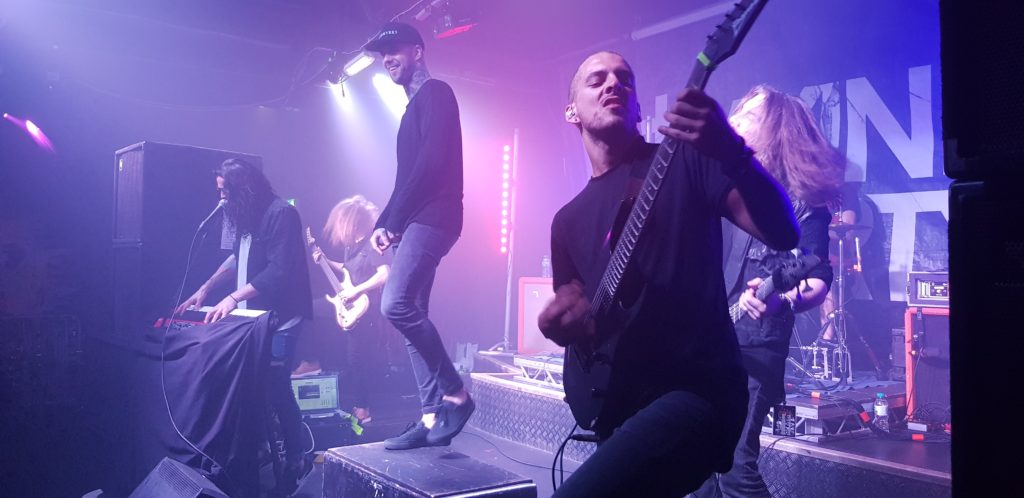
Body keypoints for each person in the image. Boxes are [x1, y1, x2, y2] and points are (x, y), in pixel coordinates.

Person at [537, 51, 799, 497]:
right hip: (617, 398)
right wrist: (560, 327)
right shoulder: (566, 221)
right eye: (597, 79)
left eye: (625, 79)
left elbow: (783, 231)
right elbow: (578, 312)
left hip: (697, 393)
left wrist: (731, 151)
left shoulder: (684, 163)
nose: (613, 84)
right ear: (571, 111)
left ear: (639, 108)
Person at [695, 85, 840, 498]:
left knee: (737, 467)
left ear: (773, 131)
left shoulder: (799, 203)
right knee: (700, 470)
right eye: (738, 110)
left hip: (755, 348)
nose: (737, 118)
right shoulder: (719, 186)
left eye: (750, 116)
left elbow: (817, 277)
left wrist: (781, 298)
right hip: (706, 339)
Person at [361, 22, 473, 450]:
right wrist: (384, 221)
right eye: (381, 52)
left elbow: (432, 163)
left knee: (395, 304)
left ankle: (456, 396)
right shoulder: (411, 110)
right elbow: (405, 177)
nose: (387, 58)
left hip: (437, 215)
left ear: (418, 51)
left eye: (395, 49)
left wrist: (395, 220)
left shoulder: (437, 93)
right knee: (412, 317)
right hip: (417, 218)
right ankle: (430, 419)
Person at [174, 158, 313, 494]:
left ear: (243, 189)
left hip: (282, 318)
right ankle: (258, 449)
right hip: (252, 319)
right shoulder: (239, 215)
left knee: (275, 385)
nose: (221, 198)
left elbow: (279, 272)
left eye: (225, 191)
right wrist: (206, 288)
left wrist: (233, 298)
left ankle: (296, 455)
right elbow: (236, 257)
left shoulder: (282, 214)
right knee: (248, 385)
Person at [310, 195, 391, 424]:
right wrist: (324, 260)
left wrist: (358, 291)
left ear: (352, 221)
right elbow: (347, 270)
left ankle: (363, 408)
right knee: (310, 310)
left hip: (367, 310)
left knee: (357, 359)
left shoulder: (373, 245)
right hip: (351, 306)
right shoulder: (351, 247)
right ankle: (312, 361)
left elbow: (385, 274)